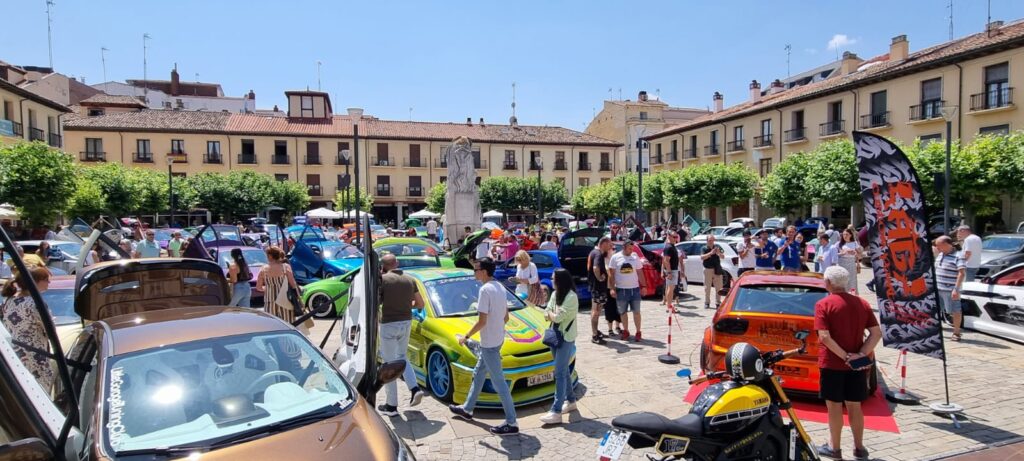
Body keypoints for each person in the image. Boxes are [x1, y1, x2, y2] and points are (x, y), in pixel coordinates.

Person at [815, 266, 882, 461]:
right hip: (857, 365)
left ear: (828, 283)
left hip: (832, 364)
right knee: (855, 406)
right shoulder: (862, 303)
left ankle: (835, 448)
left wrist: (845, 356)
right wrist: (859, 355)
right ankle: (859, 447)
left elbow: (825, 337)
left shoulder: (823, 304)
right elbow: (876, 333)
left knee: (834, 407)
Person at [449, 257, 519, 435]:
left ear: (484, 271)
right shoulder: (500, 287)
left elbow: (481, 321)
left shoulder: (484, 290)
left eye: (476, 269)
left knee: (499, 383)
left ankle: (512, 422)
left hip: (489, 343)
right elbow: (506, 317)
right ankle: (467, 409)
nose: (474, 271)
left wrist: (466, 336)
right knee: (479, 373)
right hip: (497, 339)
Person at [377, 254, 426, 416]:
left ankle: (391, 405)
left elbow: (376, 302)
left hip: (389, 324)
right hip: (406, 322)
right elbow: (420, 304)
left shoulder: (383, 280)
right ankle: (414, 388)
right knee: (402, 357)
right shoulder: (410, 280)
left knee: (389, 364)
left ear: (383, 266)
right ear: (397, 263)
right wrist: (406, 304)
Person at [1, 265, 54, 391]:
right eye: (46, 279)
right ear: (35, 282)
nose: (49, 282)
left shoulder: (9, 301)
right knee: (41, 391)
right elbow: (50, 329)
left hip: (14, 354)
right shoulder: (35, 303)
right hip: (35, 356)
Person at [539, 268, 580, 425]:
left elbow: (558, 317)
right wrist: (551, 314)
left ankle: (556, 411)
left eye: (553, 278)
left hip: (566, 337)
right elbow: (547, 311)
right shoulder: (556, 294)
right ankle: (570, 401)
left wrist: (551, 314)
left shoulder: (571, 297)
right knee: (563, 371)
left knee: (559, 372)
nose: (550, 280)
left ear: (560, 280)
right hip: (555, 336)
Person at [608, 240, 646, 341]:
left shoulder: (635, 257)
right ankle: (626, 331)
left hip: (635, 289)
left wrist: (644, 286)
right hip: (621, 289)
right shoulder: (615, 257)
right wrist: (612, 288)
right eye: (630, 248)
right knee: (623, 312)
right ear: (624, 247)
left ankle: (638, 331)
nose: (631, 250)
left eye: (632, 248)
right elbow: (611, 274)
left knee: (636, 312)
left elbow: (639, 272)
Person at [256, 246, 302, 324]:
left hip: (270, 301)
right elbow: (293, 284)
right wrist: (299, 298)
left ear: (270, 256)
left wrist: (268, 288)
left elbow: (259, 287)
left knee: (272, 325)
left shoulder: (263, 269)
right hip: (285, 300)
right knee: (288, 324)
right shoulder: (285, 267)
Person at [934, 235, 966, 341]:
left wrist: (956, 289)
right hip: (938, 288)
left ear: (947, 244)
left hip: (950, 289)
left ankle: (956, 333)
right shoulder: (940, 255)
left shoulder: (958, 256)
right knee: (937, 309)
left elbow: (961, 273)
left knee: (955, 310)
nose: (937, 248)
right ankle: (937, 328)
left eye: (939, 246)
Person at [588, 237, 613, 344]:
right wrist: (599, 278)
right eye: (609, 244)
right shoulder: (598, 254)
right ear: (603, 244)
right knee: (596, 311)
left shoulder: (593, 252)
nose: (610, 247)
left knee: (596, 311)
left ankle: (596, 331)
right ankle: (594, 335)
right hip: (597, 287)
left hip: (595, 286)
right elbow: (595, 268)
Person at [700, 236, 725, 309]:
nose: (711, 242)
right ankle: (707, 302)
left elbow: (723, 257)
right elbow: (702, 257)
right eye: (710, 240)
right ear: (707, 241)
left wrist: (718, 253)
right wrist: (710, 253)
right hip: (708, 269)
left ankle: (718, 302)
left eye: (712, 240)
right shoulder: (704, 248)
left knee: (719, 287)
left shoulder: (717, 247)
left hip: (717, 269)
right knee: (707, 287)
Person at [837, 228, 862, 293]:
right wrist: (843, 253)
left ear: (850, 235)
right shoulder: (839, 243)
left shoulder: (854, 243)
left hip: (851, 263)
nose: (845, 236)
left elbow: (860, 254)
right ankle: (843, 293)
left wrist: (856, 253)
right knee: (842, 279)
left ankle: (852, 294)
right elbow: (834, 254)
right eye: (844, 234)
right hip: (842, 263)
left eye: (847, 234)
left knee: (852, 280)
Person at [661, 231, 682, 307]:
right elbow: (666, 260)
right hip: (671, 270)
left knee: (670, 288)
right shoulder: (668, 247)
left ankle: (668, 304)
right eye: (674, 237)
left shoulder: (672, 246)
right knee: (670, 288)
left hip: (674, 270)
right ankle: (669, 306)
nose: (676, 238)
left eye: (676, 237)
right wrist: (669, 272)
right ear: (669, 236)